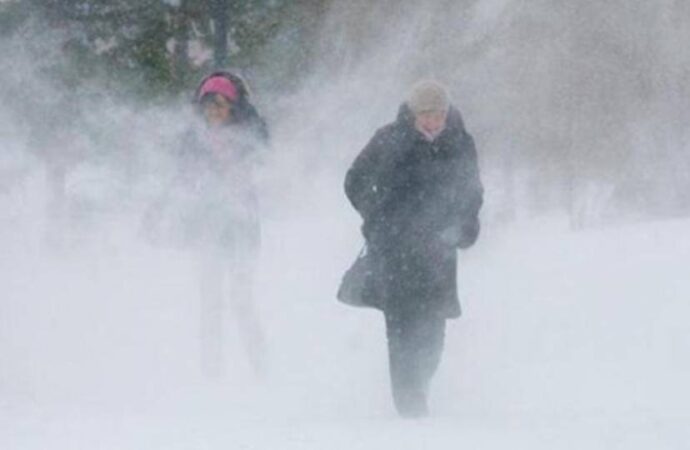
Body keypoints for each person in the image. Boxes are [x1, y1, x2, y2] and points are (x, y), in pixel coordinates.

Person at [344, 80, 483, 417]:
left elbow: (472, 191)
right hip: (396, 251)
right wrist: (377, 217)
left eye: (438, 114)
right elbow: (354, 180)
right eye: (425, 114)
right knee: (401, 330)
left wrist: (464, 225)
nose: (432, 121)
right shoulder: (389, 139)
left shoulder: (461, 142)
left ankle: (419, 389)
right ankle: (410, 411)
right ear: (413, 113)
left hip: (439, 251)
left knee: (433, 335)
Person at [145, 71, 269, 377]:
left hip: (240, 229)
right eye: (207, 107)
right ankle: (212, 373)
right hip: (207, 229)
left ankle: (262, 369)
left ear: (233, 106)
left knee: (241, 300)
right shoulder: (193, 139)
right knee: (210, 302)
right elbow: (181, 178)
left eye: (220, 105)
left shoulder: (250, 133)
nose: (213, 112)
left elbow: (265, 167)